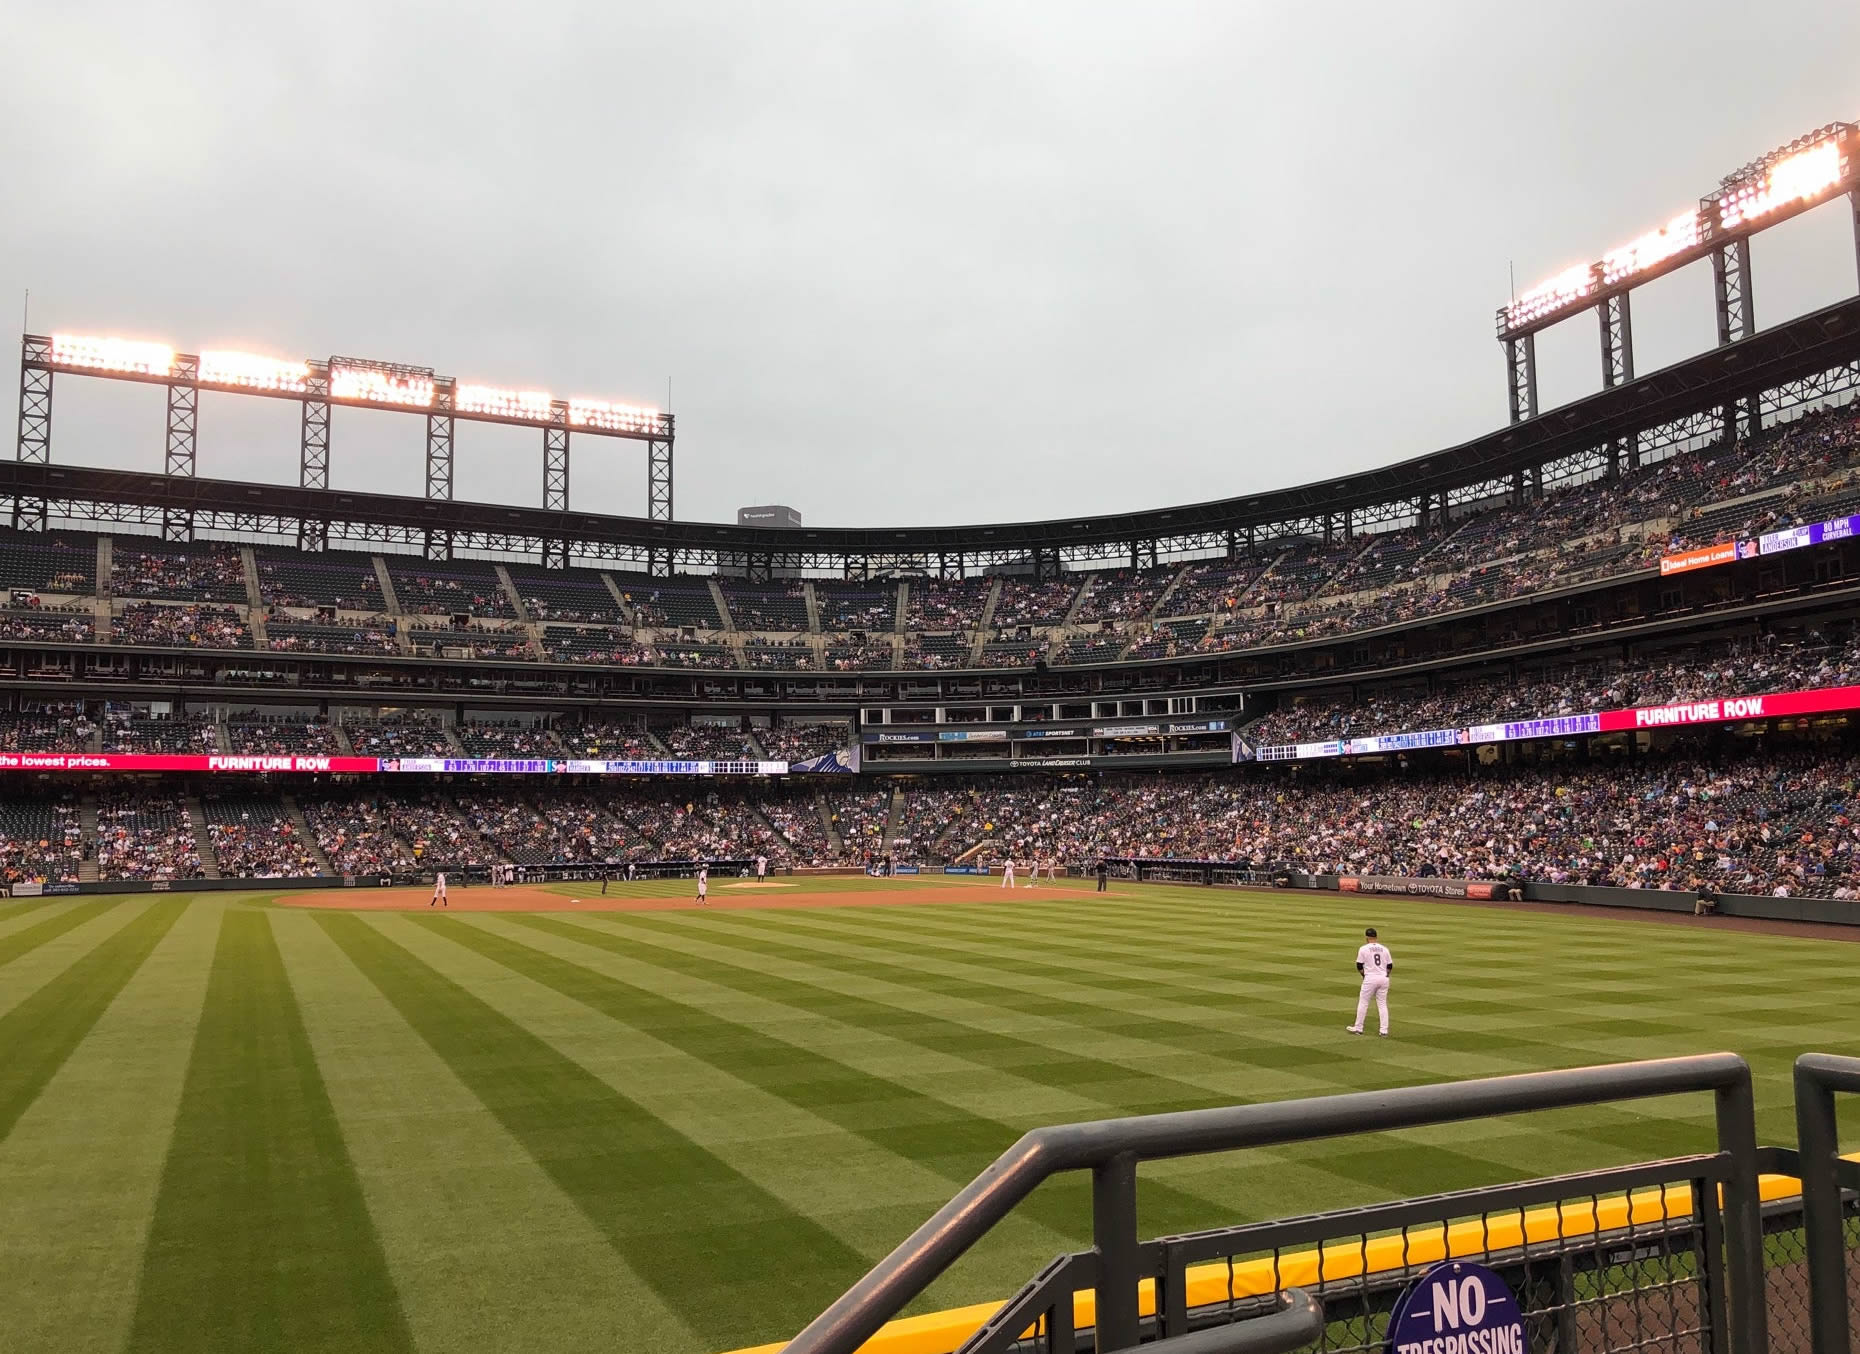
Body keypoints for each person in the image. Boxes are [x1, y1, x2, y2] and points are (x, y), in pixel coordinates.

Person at [1347, 927, 1391, 1036]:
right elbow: (1390, 965)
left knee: (1364, 1002)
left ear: (1367, 937)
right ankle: (1384, 1030)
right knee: (1382, 1004)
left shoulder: (1363, 948)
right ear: (1376, 937)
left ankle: (1358, 1027)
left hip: (1370, 978)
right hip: (1383, 978)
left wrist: (1363, 975)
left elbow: (1359, 965)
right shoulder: (1384, 948)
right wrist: (1386, 975)